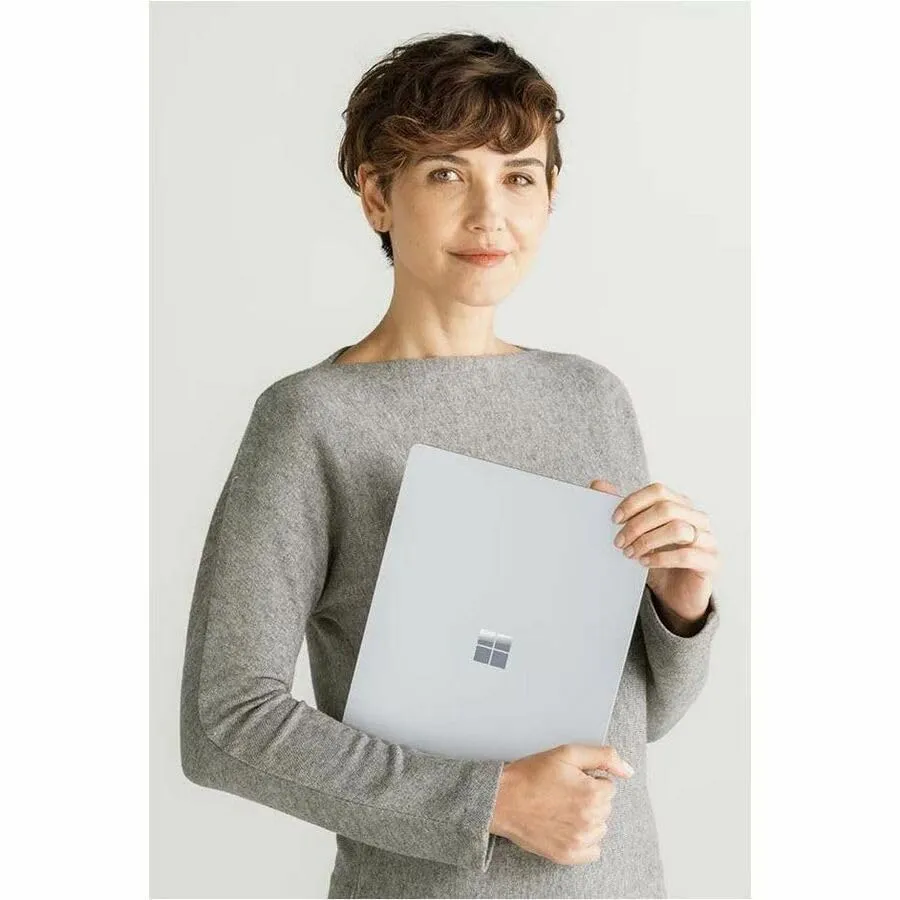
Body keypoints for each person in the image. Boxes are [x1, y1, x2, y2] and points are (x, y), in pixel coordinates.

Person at [179, 31, 721, 899]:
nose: (488, 215)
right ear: (376, 197)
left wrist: (678, 603)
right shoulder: (313, 420)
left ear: (550, 196)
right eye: (445, 173)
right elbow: (224, 724)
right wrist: (488, 801)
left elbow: (634, 723)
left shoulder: (591, 398)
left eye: (519, 177)